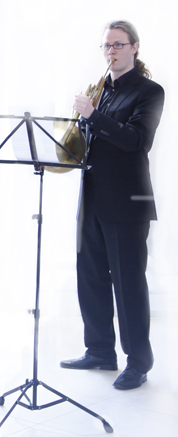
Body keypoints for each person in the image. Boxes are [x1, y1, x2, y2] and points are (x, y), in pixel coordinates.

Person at [60, 21, 164, 390]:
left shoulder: (150, 92)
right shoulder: (101, 90)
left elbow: (137, 141)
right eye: (106, 46)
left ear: (135, 47)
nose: (111, 52)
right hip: (92, 196)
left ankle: (139, 361)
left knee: (128, 282)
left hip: (129, 201)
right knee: (89, 276)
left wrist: (92, 115)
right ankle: (100, 350)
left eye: (118, 45)